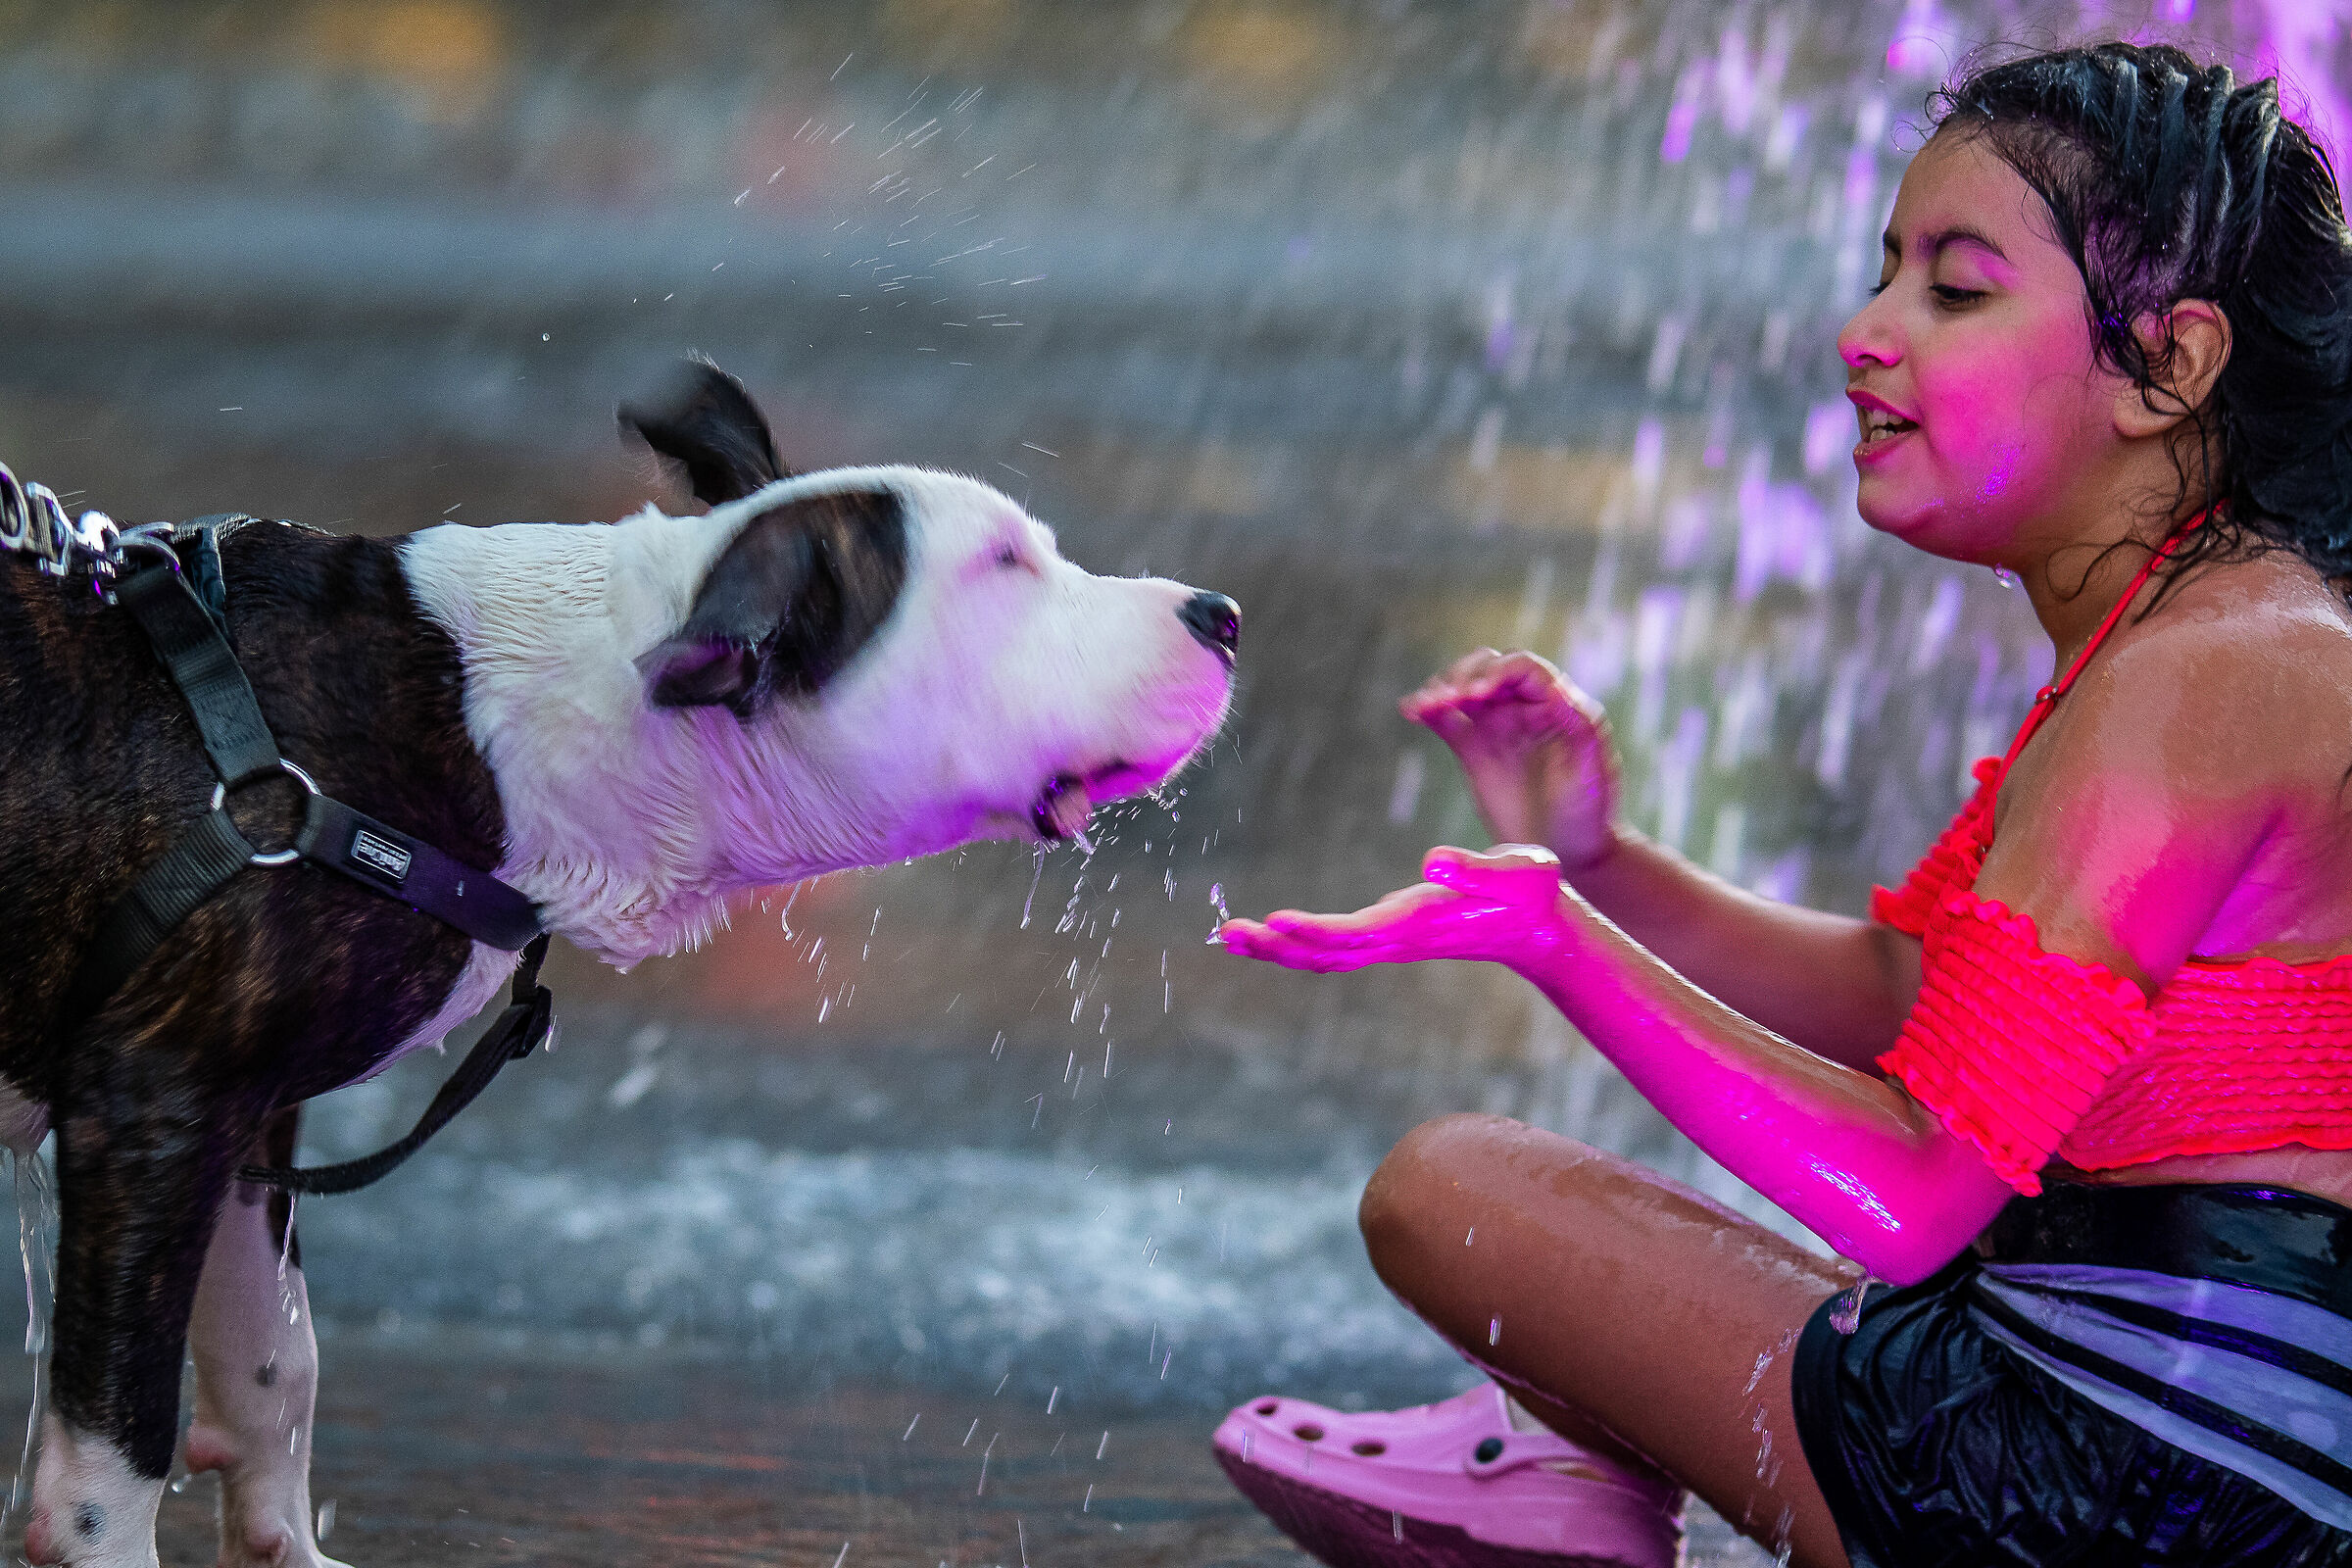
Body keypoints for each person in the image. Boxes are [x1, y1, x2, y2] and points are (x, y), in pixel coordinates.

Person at [1211, 41, 2352, 1568]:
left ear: (2174, 364)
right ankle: (1567, 1478)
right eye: (1886, 275)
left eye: (1954, 290)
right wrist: (1604, 860)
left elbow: (1912, 1197)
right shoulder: (2196, 629)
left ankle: (1569, 1482)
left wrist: (1556, 941)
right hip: (2207, 1448)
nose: (1865, 335)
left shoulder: (2200, 676)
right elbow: (1912, 996)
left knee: (1453, 1191)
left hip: (2145, 1477)